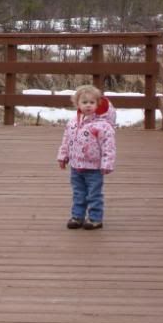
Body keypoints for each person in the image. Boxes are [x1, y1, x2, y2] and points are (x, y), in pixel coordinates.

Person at [57, 84, 116, 230]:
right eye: (84, 102)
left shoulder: (102, 125)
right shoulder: (73, 123)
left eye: (92, 102)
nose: (88, 105)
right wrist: (63, 155)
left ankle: (95, 218)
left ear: (98, 104)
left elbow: (109, 146)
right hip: (76, 166)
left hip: (94, 167)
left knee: (94, 194)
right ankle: (77, 216)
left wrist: (107, 163)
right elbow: (66, 140)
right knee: (78, 193)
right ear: (77, 104)